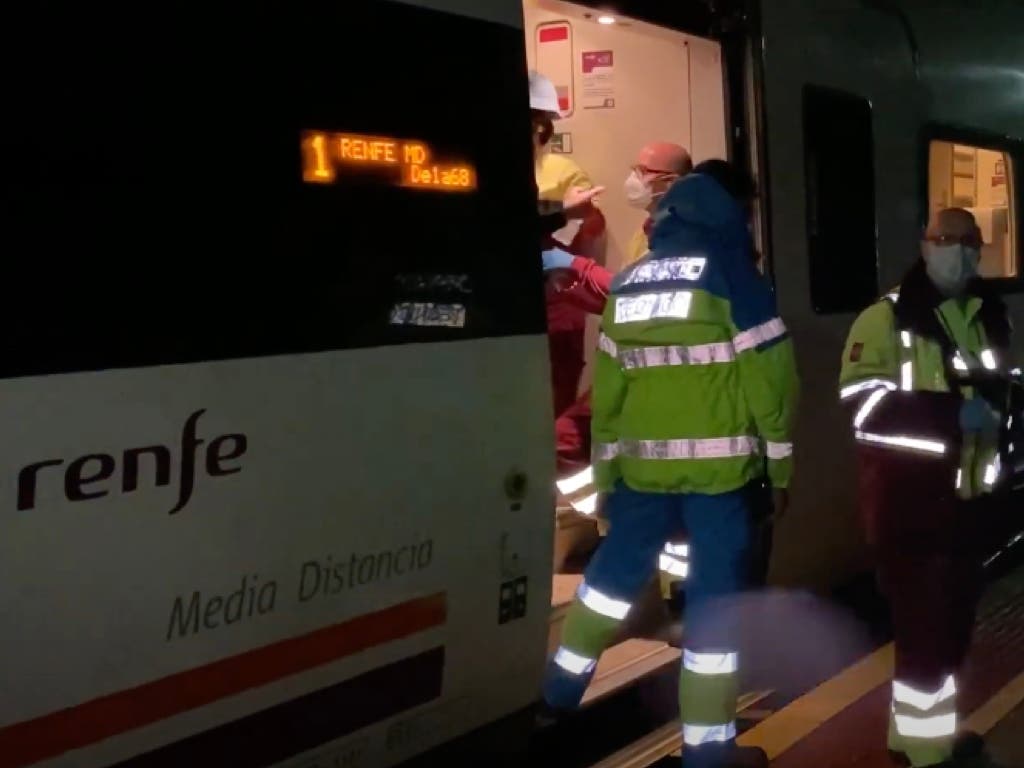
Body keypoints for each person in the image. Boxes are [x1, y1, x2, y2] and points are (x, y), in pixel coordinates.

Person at [543, 163, 798, 768]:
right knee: (712, 613)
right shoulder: (734, 276)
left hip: (641, 480)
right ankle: (708, 754)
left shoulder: (630, 282)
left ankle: (555, 693)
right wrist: (782, 470)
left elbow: (610, 394)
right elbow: (773, 383)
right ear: (730, 216)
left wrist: (607, 478)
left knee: (606, 585)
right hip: (720, 483)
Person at [839, 208, 1011, 768]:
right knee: (927, 637)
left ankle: (911, 740)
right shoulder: (883, 320)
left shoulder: (986, 314)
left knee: (950, 630)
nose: (957, 252)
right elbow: (863, 407)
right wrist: (951, 417)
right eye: (945, 240)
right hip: (909, 506)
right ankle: (928, 754)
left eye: (967, 242)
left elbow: (1001, 387)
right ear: (924, 244)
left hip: (968, 507)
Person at [623, 141, 693, 267]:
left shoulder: (689, 236)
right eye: (635, 170)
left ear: (671, 182)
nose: (633, 178)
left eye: (643, 171)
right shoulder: (644, 232)